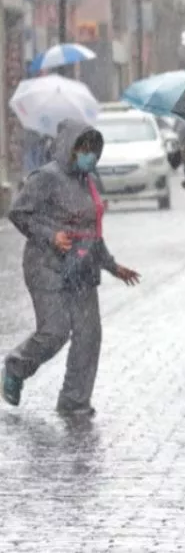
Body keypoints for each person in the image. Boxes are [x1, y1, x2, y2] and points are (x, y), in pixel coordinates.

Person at [2, 121, 141, 415]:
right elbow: (18, 213)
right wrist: (51, 235)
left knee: (89, 335)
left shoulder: (89, 181)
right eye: (83, 149)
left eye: (94, 150)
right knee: (55, 331)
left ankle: (74, 400)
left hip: (82, 268)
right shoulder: (46, 177)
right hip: (46, 266)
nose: (89, 156)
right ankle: (16, 366)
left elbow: (92, 234)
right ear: (69, 147)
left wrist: (113, 266)